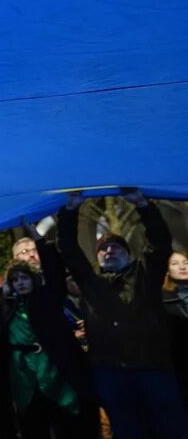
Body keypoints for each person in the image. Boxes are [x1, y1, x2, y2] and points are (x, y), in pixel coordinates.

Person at [57, 188, 186, 438]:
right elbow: (68, 249)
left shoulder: (145, 274)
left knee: (172, 428)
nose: (109, 251)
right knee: (127, 430)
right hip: (111, 372)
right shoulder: (90, 280)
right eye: (103, 249)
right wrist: (70, 210)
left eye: (116, 247)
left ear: (128, 253)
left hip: (152, 368)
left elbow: (159, 242)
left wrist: (142, 205)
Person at [0, 226, 98, 439]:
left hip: (52, 369)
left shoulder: (47, 298)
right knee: (32, 424)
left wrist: (38, 237)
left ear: (33, 279)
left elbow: (54, 271)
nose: (20, 283)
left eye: (24, 278)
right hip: (22, 373)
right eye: (15, 280)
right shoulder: (6, 304)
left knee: (66, 422)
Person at [163, 250, 188, 406]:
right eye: (175, 263)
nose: (182, 267)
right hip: (181, 366)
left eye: (185, 262)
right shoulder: (163, 299)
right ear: (167, 270)